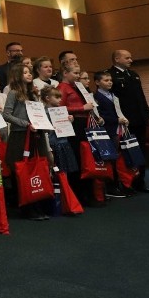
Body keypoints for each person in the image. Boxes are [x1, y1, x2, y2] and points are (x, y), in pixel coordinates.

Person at [2, 64, 50, 220]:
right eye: (25, 72)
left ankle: (38, 203)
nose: (29, 74)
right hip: (21, 135)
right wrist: (25, 124)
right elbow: (6, 115)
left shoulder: (33, 94)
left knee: (39, 167)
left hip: (37, 135)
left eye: (30, 72)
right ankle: (27, 206)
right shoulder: (14, 93)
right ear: (17, 75)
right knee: (24, 170)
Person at [58, 64, 101, 207]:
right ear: (65, 73)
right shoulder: (62, 88)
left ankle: (89, 193)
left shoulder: (77, 87)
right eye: (75, 73)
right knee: (78, 159)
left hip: (84, 124)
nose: (78, 76)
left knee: (86, 159)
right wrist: (81, 108)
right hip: (73, 126)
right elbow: (58, 108)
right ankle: (80, 195)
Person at [93, 72, 133, 198]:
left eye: (110, 80)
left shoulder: (113, 95)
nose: (109, 82)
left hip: (116, 130)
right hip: (106, 130)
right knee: (109, 159)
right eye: (106, 80)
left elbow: (118, 111)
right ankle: (110, 187)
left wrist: (123, 118)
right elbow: (99, 115)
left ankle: (119, 184)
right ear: (97, 82)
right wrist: (116, 120)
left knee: (116, 159)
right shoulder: (96, 96)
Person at [41, 86, 77, 177]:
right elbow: (43, 130)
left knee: (64, 171)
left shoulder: (61, 111)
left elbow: (66, 126)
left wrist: (70, 120)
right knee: (54, 169)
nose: (60, 100)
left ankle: (64, 189)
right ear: (47, 98)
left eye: (60, 97)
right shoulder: (43, 113)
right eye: (57, 97)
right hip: (52, 144)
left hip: (63, 142)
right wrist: (48, 127)